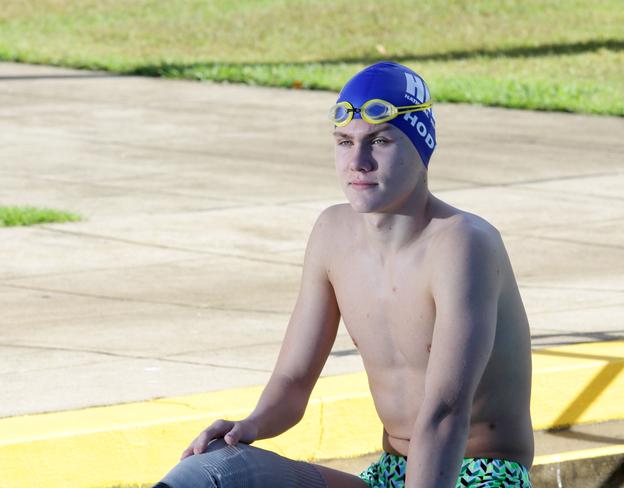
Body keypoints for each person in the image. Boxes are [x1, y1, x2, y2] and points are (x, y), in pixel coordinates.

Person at [154, 61, 534, 488]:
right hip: (393, 472)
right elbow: (293, 381)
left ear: (421, 148)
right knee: (211, 473)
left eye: (380, 141)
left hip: (481, 475)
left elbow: (445, 413)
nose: (358, 161)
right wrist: (248, 427)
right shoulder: (332, 234)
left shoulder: (463, 244)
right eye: (344, 142)